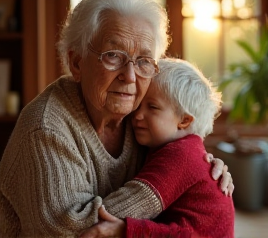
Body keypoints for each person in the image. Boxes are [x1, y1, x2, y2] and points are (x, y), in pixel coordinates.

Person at [0, 0, 233, 238]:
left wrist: (202, 170)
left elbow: (181, 157)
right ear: (77, 62)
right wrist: (180, 174)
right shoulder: (45, 128)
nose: (130, 76)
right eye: (113, 55)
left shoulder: (139, 117)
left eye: (143, 61)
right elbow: (69, 230)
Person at [80, 57, 235, 238]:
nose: (137, 115)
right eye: (139, 105)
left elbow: (127, 205)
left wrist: (124, 230)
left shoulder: (181, 155)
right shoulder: (186, 149)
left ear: (184, 120)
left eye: (152, 107)